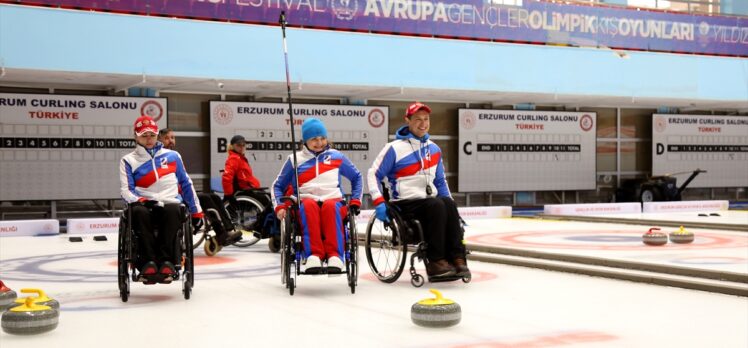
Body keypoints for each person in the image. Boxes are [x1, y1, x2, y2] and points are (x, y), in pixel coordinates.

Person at [367, 102, 470, 281]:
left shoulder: (434, 149)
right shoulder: (394, 148)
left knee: (448, 203)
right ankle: (435, 262)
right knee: (436, 204)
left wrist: (453, 209)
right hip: (405, 202)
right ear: (407, 120)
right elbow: (373, 174)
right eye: (418, 119)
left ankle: (457, 258)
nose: (423, 123)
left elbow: (440, 181)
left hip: (429, 201)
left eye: (426, 119)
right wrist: (379, 202)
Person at [272, 118, 362, 273]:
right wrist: (279, 206)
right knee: (308, 206)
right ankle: (314, 255)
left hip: (333, 200)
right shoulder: (294, 159)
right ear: (305, 141)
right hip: (306, 201)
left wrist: (355, 200)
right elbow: (277, 186)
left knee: (330, 206)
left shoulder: (337, 156)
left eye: (323, 138)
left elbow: (357, 177)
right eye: (314, 139)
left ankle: (335, 256)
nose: (319, 142)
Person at [119, 115, 203, 282]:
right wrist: (141, 200)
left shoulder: (173, 156)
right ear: (136, 136)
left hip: (170, 201)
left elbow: (186, 184)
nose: (149, 139)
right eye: (144, 135)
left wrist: (197, 212)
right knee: (138, 213)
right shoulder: (128, 160)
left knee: (173, 210)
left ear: (157, 134)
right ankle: (147, 263)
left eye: (152, 134)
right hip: (143, 204)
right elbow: (126, 191)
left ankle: (167, 262)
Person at [157, 127, 241, 247]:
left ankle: (228, 229)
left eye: (172, 137)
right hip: (172, 196)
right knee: (206, 200)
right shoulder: (160, 158)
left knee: (214, 197)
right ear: (159, 140)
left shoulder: (174, 156)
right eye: (167, 138)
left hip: (180, 192)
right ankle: (221, 233)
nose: (171, 140)